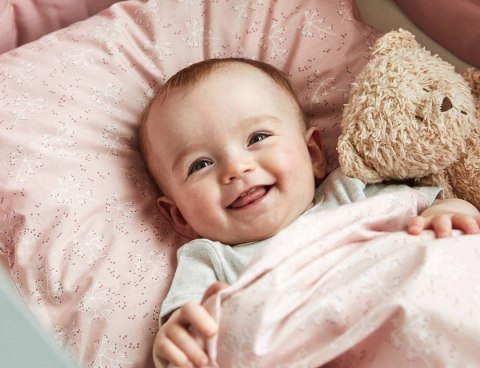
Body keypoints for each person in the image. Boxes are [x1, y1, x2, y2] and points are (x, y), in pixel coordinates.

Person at [139, 58, 479, 368]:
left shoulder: (350, 192)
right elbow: (185, 326)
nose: (236, 168)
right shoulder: (211, 258)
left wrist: (451, 210)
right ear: (179, 216)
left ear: (313, 153)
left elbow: (430, 216)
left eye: (257, 137)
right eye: (200, 164)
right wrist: (172, 341)